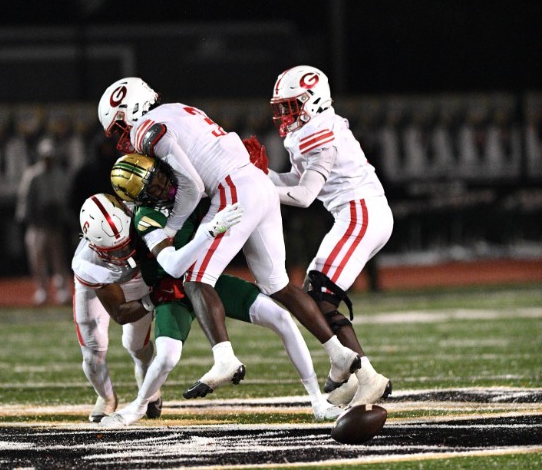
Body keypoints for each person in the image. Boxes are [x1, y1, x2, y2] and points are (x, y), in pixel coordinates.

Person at [97, 78, 361, 401]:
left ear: (130, 111)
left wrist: (170, 228)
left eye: (120, 126)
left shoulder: (145, 129)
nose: (123, 136)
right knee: (278, 284)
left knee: (195, 278)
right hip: (257, 184)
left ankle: (224, 359)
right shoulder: (178, 109)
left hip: (234, 189)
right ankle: (338, 353)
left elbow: (193, 186)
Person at [99, 154, 342, 427]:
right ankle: (138, 406)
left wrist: (248, 170)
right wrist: (208, 231)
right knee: (167, 356)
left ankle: (318, 402)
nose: (162, 186)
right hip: (172, 290)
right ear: (140, 198)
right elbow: (174, 266)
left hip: (205, 280)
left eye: (159, 176)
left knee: (281, 317)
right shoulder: (147, 216)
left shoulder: (185, 184)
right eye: (152, 187)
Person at [260, 65, 393, 407]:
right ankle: (354, 373)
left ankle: (363, 374)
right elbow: (296, 180)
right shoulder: (310, 130)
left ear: (313, 101)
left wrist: (256, 188)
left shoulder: (319, 132)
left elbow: (304, 196)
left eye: (291, 106)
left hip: (360, 212)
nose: (285, 114)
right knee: (314, 293)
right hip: (357, 212)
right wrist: (260, 174)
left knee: (319, 296)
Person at [73, 192, 242, 422]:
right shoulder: (88, 263)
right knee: (93, 353)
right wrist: (154, 298)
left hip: (138, 276)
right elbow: (120, 313)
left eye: (126, 244)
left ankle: (146, 379)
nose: (125, 254)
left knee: (136, 345)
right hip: (101, 284)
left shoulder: (142, 215)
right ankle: (106, 398)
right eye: (116, 251)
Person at [15, 138, 72, 306]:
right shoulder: (33, 175)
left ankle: (62, 291)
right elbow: (25, 199)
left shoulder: (60, 175)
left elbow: (64, 198)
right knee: (37, 259)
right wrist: (29, 219)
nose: (49, 160)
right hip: (37, 224)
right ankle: (42, 290)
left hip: (54, 224)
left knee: (58, 258)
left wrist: (62, 217)